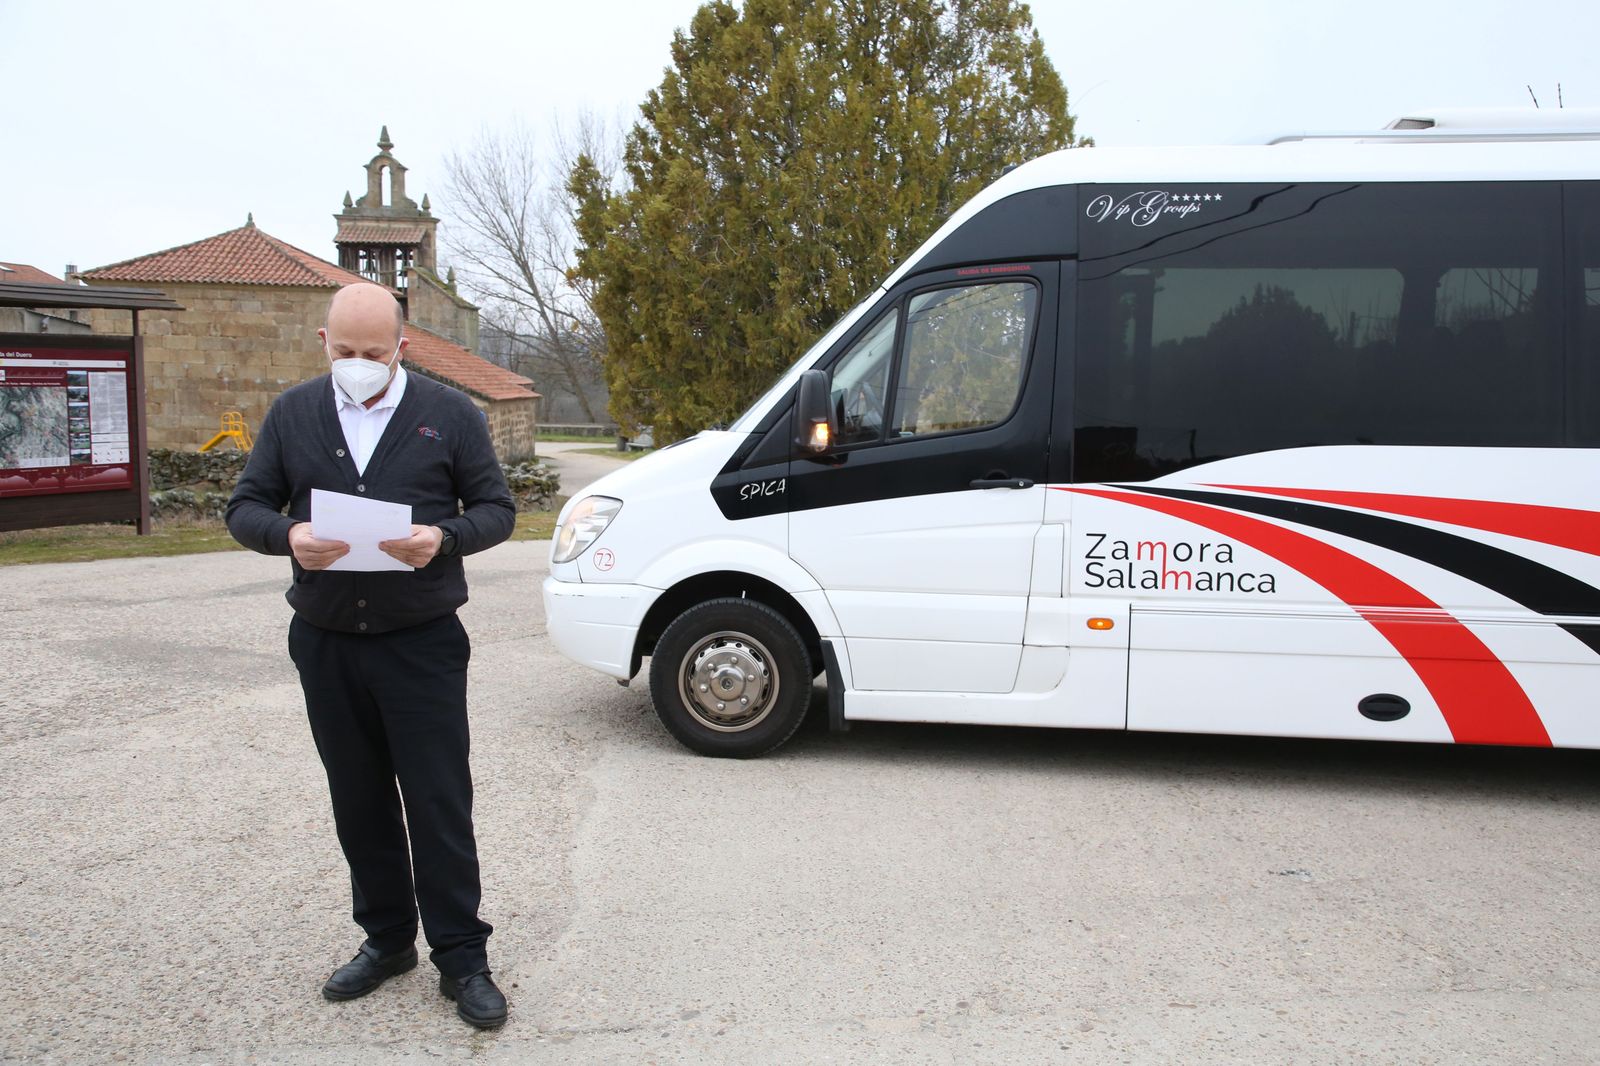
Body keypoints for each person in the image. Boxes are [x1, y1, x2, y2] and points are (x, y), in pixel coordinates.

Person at [226, 282, 515, 1030]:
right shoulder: (294, 413)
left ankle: (462, 958)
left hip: (421, 641)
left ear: (402, 349)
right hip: (326, 640)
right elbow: (246, 506)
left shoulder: (449, 415)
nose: (358, 365)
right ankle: (386, 941)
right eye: (345, 352)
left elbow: (497, 509)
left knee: (438, 800)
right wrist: (286, 535)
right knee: (358, 799)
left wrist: (441, 539)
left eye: (374, 354)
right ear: (325, 343)